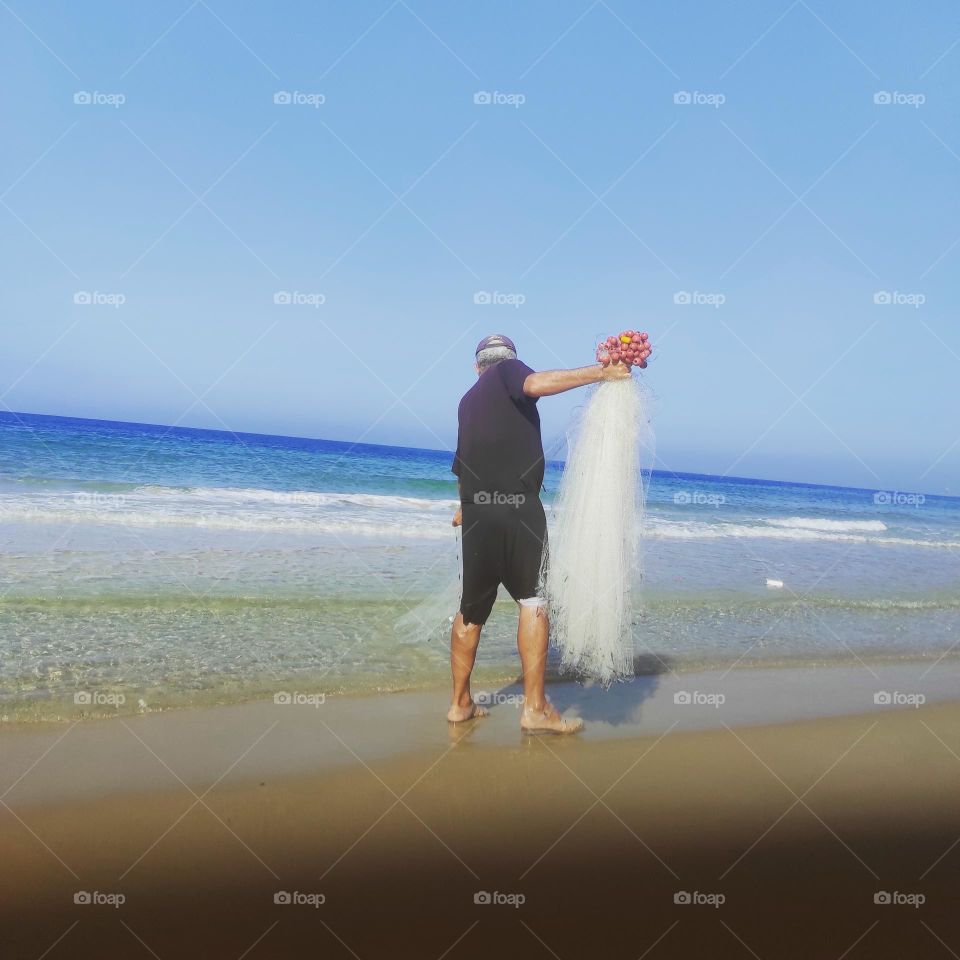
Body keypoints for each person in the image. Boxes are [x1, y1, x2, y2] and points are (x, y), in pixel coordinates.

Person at [448, 334, 631, 732]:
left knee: (471, 609)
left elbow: (463, 466)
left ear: (476, 366)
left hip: (479, 513)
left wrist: (467, 508)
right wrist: (602, 372)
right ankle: (534, 709)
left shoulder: (467, 401)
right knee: (533, 601)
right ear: (506, 361)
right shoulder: (509, 372)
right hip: (517, 509)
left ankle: (460, 703)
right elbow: (537, 384)